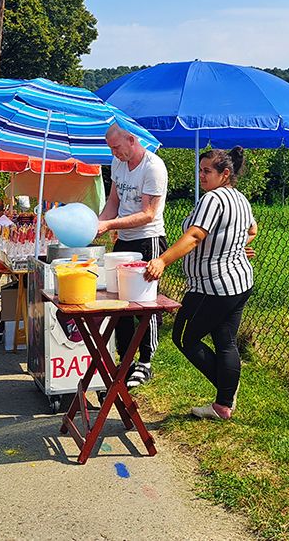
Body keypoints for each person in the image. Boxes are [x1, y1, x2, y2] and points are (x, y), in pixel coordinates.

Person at [144, 147, 257, 420]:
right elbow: (252, 229)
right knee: (225, 341)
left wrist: (162, 260)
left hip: (212, 286)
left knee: (184, 337)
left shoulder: (213, 199)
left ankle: (227, 388)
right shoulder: (240, 198)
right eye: (200, 170)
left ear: (225, 174)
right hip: (239, 282)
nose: (201, 176)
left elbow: (195, 236)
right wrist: (234, 246)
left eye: (207, 171)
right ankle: (223, 405)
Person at [97, 123, 168, 389]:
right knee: (119, 299)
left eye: (116, 147)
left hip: (148, 239)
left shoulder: (153, 167)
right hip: (124, 239)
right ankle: (125, 357)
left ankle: (145, 361)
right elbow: (113, 203)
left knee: (144, 301)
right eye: (111, 148)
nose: (114, 153)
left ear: (131, 139)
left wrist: (109, 225)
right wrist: (97, 223)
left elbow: (148, 214)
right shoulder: (118, 164)